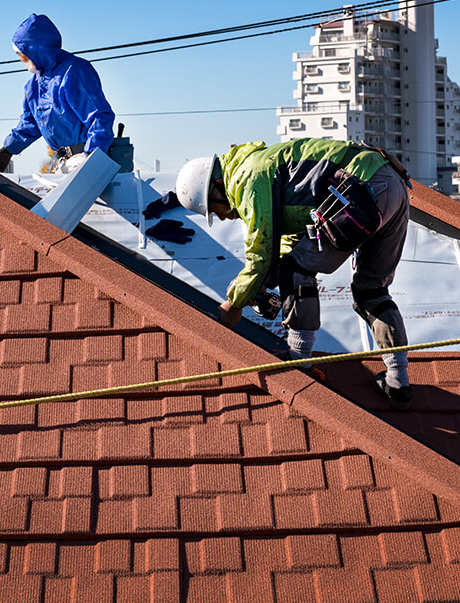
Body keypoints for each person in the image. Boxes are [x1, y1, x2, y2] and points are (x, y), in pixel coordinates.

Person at [174, 138, 414, 410]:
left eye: (213, 209)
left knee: (296, 271)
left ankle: (300, 360)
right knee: (372, 289)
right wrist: (265, 281)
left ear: (217, 187)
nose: (220, 217)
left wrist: (234, 304)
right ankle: (398, 380)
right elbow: (290, 240)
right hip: (392, 184)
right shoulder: (262, 165)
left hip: (362, 188)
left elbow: (261, 253)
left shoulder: (247, 178)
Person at [0, 14, 115, 174]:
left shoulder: (74, 71)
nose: (20, 59)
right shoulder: (33, 87)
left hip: (85, 160)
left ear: (34, 50)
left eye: (21, 53)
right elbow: (30, 124)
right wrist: (7, 150)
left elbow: (99, 116)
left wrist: (92, 157)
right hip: (63, 163)